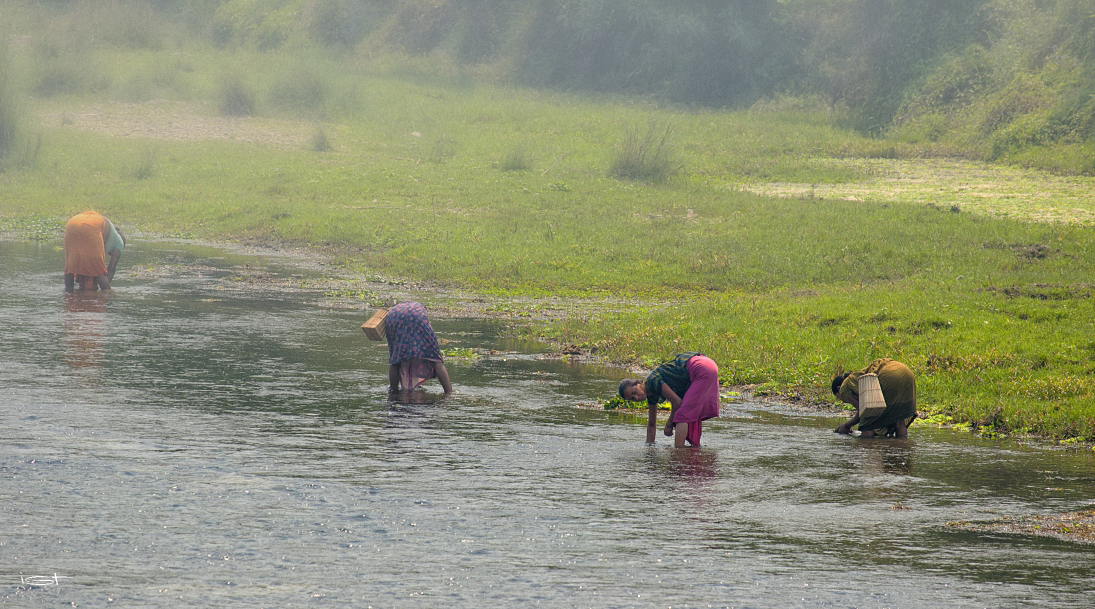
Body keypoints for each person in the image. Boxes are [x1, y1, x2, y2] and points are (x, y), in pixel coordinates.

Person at [619, 352, 720, 447]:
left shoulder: (653, 380)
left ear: (639, 383)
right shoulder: (651, 396)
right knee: (690, 413)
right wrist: (650, 449)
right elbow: (651, 425)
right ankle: (693, 450)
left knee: (681, 415)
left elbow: (677, 402)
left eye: (634, 392)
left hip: (700, 367)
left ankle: (678, 455)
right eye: (632, 398)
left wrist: (669, 424)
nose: (636, 397)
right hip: (708, 365)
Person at [832, 358, 917, 438]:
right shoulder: (856, 379)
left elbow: (862, 413)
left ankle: (869, 447)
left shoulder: (844, 387)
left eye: (838, 397)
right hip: (905, 372)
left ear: (839, 388)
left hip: (889, 375)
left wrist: (847, 425)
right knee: (899, 422)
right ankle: (903, 448)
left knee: (867, 426)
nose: (842, 400)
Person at [384, 301, 452, 394]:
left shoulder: (396, 309)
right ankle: (449, 393)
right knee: (436, 361)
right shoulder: (419, 311)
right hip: (415, 317)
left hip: (393, 319)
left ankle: (393, 391)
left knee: (395, 359)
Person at [63, 210, 125, 292]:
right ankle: (106, 295)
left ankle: (68, 292)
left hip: (72, 223)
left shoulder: (109, 232)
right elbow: (111, 270)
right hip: (91, 226)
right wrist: (103, 287)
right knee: (99, 271)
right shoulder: (119, 243)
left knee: (71, 265)